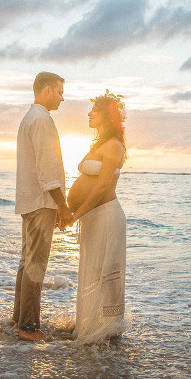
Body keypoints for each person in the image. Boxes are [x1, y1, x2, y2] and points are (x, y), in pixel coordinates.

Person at [65, 90, 127, 343]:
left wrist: (75, 214)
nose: (89, 113)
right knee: (93, 269)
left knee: (107, 273)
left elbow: (102, 187)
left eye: (94, 110)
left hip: (107, 216)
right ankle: (90, 324)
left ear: (106, 116)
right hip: (93, 217)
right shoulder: (100, 144)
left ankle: (110, 329)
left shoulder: (113, 146)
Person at [13, 72, 70, 342]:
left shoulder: (29, 118)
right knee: (35, 264)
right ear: (46, 90)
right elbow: (47, 170)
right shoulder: (42, 120)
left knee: (26, 262)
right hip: (41, 201)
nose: (62, 97)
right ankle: (29, 327)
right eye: (59, 92)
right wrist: (63, 205)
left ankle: (18, 320)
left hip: (30, 200)